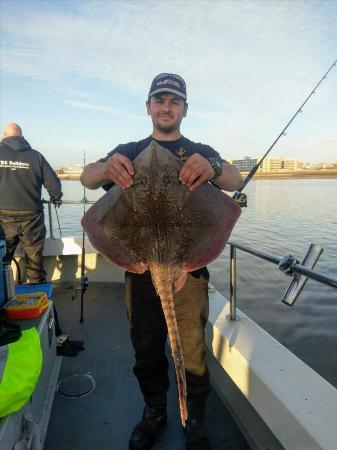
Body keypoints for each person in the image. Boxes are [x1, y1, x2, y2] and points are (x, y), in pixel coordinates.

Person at [81, 73, 243, 450]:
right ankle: (155, 411)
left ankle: (194, 419)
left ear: (185, 109)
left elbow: (233, 179)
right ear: (148, 107)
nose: (166, 107)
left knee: (191, 348)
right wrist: (106, 169)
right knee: (147, 345)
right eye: (159, 100)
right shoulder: (129, 149)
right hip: (141, 266)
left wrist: (215, 169)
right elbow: (88, 179)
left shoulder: (199, 150)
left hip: (189, 265)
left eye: (174, 101)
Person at [0, 123, 63, 284]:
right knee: (35, 263)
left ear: (4, 136)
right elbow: (53, 184)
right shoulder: (36, 156)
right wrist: (56, 197)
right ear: (22, 137)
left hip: (3, 217)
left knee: (2, 259)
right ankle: (36, 298)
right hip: (32, 217)